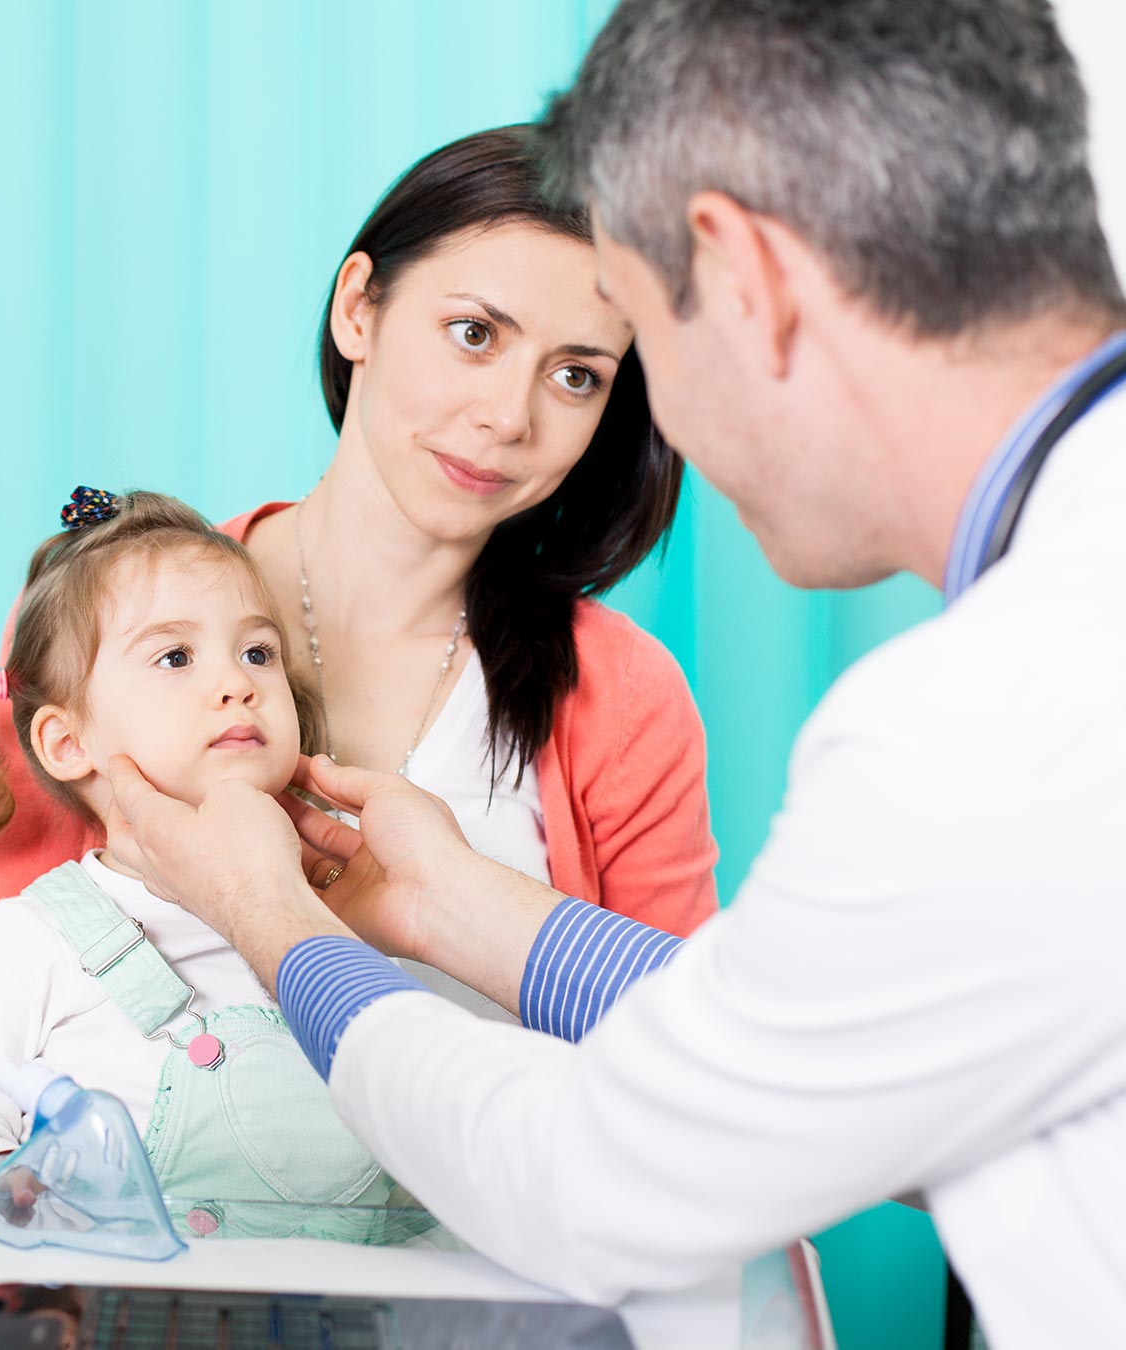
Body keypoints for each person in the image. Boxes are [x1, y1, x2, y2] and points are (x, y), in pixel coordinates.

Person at [107, 0, 1126, 1343]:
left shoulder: (984, 728)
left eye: (612, 357)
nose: (658, 436)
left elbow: (598, 1170)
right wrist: (455, 901)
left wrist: (265, 908)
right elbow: (770, 1048)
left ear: (742, 279)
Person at [0, 126, 718, 1037]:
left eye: (577, 375)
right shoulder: (105, 615)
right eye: (473, 333)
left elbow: (691, 1058)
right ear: (358, 311)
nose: (507, 416)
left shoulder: (623, 695)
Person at [0, 489, 409, 1241]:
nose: (237, 682)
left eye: (258, 653)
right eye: (175, 657)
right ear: (66, 743)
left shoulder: (341, 906)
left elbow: (422, 1087)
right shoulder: (37, 935)